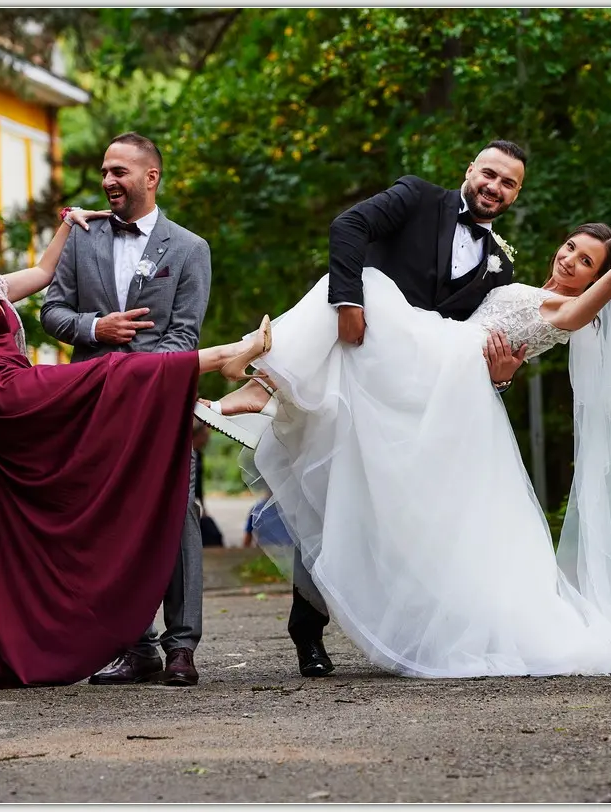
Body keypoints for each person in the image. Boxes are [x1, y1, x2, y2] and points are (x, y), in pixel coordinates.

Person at [207, 219, 611, 679]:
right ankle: (267, 384)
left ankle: (260, 376)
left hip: (452, 369)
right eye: (570, 247)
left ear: (595, 278)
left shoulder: (571, 310)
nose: (570, 260)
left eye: (586, 261)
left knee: (362, 283)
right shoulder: (515, 280)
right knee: (350, 302)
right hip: (444, 360)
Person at [0, 196, 269, 692]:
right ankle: (227, 357)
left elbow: (45, 273)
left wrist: (69, 223)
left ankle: (222, 368)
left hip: (19, 388)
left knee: (109, 400)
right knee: (111, 371)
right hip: (4, 395)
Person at [196, 140, 533, 677]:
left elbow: (470, 345)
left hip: (412, 403)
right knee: (327, 494)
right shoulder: (416, 197)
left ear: (516, 194)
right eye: (489, 174)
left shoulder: (502, 269)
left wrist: (502, 377)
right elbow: (348, 227)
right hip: (353, 369)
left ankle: (409, 635)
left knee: (401, 519)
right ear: (470, 169)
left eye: (508, 183)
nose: (494, 187)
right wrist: (349, 302)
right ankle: (307, 629)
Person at [41, 132, 212, 688]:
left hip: (160, 405)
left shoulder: (189, 248)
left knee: (178, 515)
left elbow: (184, 335)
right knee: (111, 522)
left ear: (150, 177)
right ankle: (136, 648)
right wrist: (96, 328)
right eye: (104, 171)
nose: (108, 181)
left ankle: (181, 646)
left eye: (119, 171)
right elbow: (52, 311)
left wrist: (135, 374)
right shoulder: (81, 238)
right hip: (94, 404)